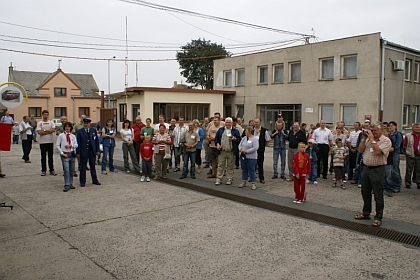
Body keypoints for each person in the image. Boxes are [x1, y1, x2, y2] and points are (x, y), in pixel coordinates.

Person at [355, 121, 391, 227]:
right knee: (365, 192)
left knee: (378, 194)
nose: (373, 132)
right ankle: (366, 213)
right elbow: (360, 150)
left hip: (378, 169)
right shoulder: (368, 139)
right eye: (372, 130)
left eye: (375, 130)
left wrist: (372, 140)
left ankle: (378, 217)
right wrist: (364, 139)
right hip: (366, 168)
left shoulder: (385, 141)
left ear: (381, 130)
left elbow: (378, 152)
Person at [214, 117, 240, 185]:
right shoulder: (220, 130)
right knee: (220, 166)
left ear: (231, 123)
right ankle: (219, 179)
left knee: (230, 166)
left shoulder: (235, 131)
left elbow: (239, 140)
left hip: (231, 151)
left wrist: (235, 139)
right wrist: (217, 144)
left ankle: (229, 178)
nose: (228, 124)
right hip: (222, 151)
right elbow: (216, 139)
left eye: (229, 122)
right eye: (226, 122)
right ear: (225, 123)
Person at [76, 118, 101, 187]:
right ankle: (82, 181)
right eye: (85, 123)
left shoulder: (93, 130)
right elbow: (78, 142)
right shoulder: (80, 131)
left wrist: (97, 150)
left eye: (87, 123)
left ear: (89, 124)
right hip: (83, 151)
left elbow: (96, 141)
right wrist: (78, 152)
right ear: (83, 123)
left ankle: (94, 180)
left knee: (92, 166)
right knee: (83, 167)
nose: (86, 124)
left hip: (91, 151)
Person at [56, 122, 78, 192]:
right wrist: (62, 153)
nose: (67, 128)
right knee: (66, 170)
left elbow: (76, 144)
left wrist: (71, 145)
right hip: (65, 154)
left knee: (72, 170)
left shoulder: (73, 136)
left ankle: (71, 183)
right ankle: (67, 184)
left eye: (69, 127)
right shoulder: (61, 136)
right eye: (66, 127)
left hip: (71, 154)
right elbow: (57, 145)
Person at [36, 110, 57, 176]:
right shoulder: (40, 123)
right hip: (42, 142)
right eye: (44, 114)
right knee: (43, 157)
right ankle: (43, 170)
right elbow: (39, 132)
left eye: (46, 114)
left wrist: (44, 131)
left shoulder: (51, 122)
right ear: (42, 115)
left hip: (50, 141)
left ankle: (52, 170)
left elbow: (53, 130)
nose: (45, 116)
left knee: (50, 156)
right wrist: (48, 131)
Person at [253, 117, 270, 184]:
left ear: (260, 123)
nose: (256, 123)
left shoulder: (264, 130)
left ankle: (261, 178)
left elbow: (268, 140)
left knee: (260, 164)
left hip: (260, 150)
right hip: (253, 150)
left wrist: (263, 145)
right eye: (255, 122)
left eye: (257, 122)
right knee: (253, 164)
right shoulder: (252, 130)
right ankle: (252, 177)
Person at [403, 123, 420, 189]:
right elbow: (405, 145)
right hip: (410, 155)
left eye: (418, 127)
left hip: (419, 155)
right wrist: (407, 152)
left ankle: (418, 183)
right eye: (416, 127)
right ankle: (408, 183)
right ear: (413, 128)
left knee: (418, 170)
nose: (417, 129)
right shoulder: (408, 135)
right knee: (409, 169)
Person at [388, 121, 403, 192]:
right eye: (390, 125)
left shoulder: (398, 134)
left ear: (395, 127)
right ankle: (390, 184)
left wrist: (392, 148)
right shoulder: (388, 135)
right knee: (389, 170)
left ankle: (397, 185)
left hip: (395, 153)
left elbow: (398, 144)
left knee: (395, 169)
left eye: (392, 125)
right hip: (389, 153)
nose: (391, 127)